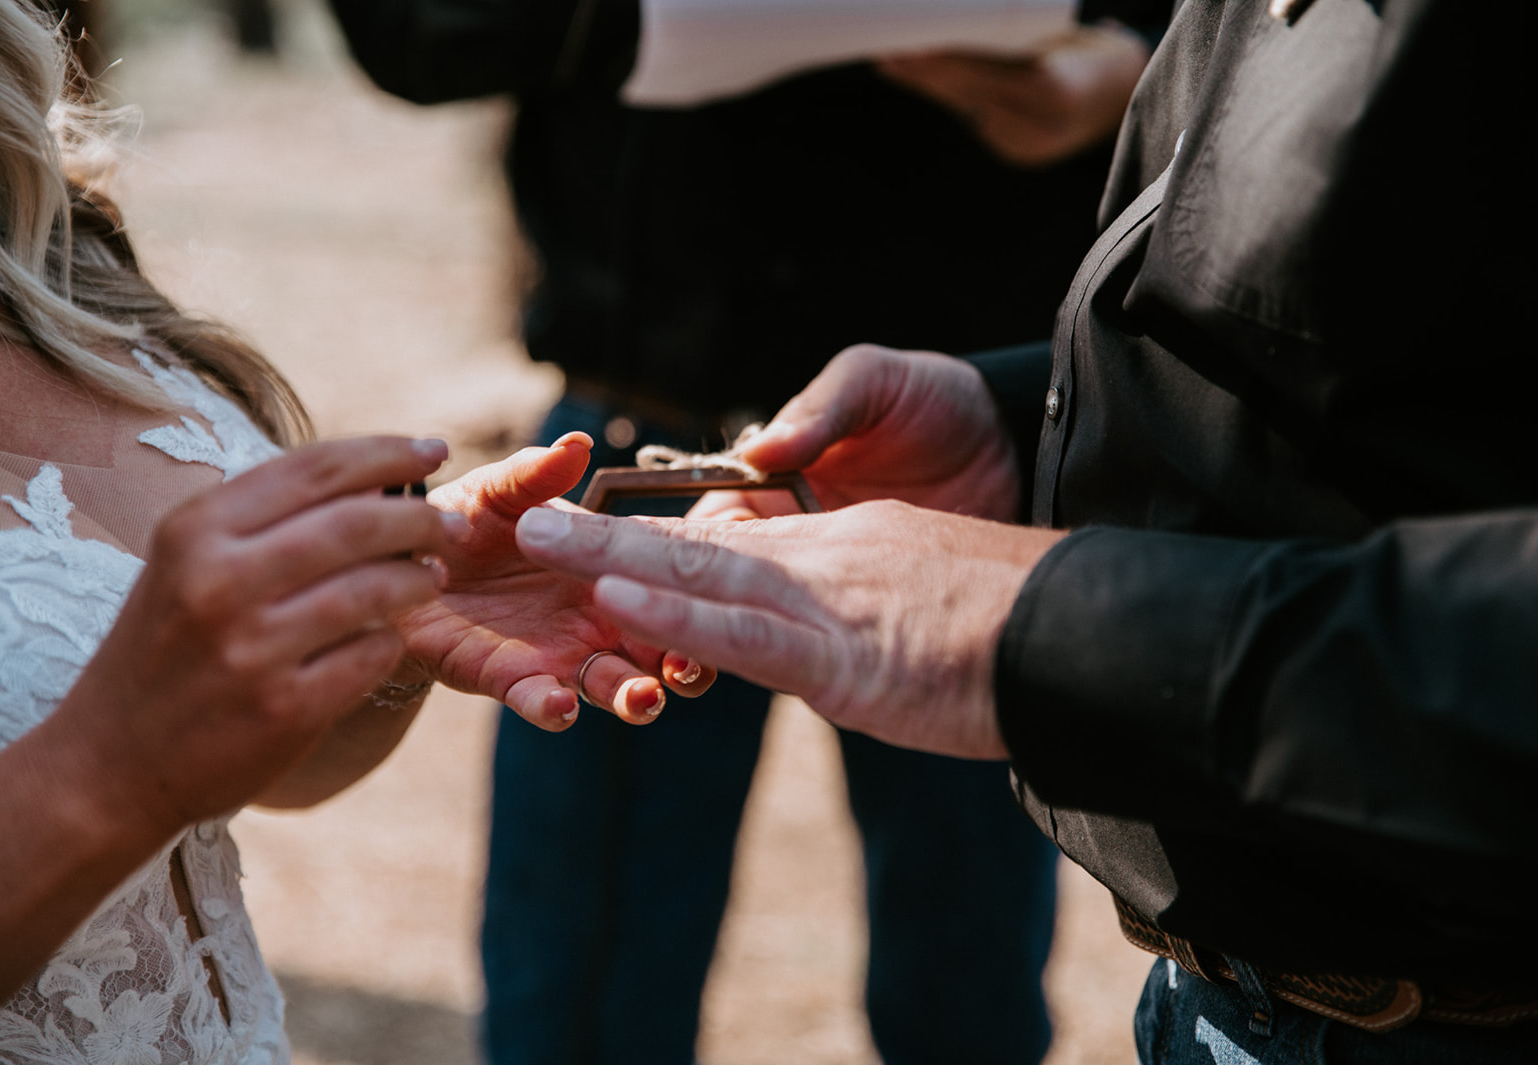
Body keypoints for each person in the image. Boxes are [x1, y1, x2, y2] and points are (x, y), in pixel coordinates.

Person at [506, 0, 1538, 1061]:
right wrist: (1020, 425)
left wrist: (1051, 626)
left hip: (1445, 999)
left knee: (961, 991)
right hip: (1234, 985)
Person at [325, 2, 1168, 1061]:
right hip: (633, 447)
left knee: (969, 992)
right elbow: (415, 29)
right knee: (578, 1006)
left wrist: (1129, 63)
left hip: (959, 437)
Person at [0, 3, 705, 1058]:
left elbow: (271, 777)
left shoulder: (16, 222)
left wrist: (385, 629)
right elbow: (128, 756)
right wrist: (110, 766)